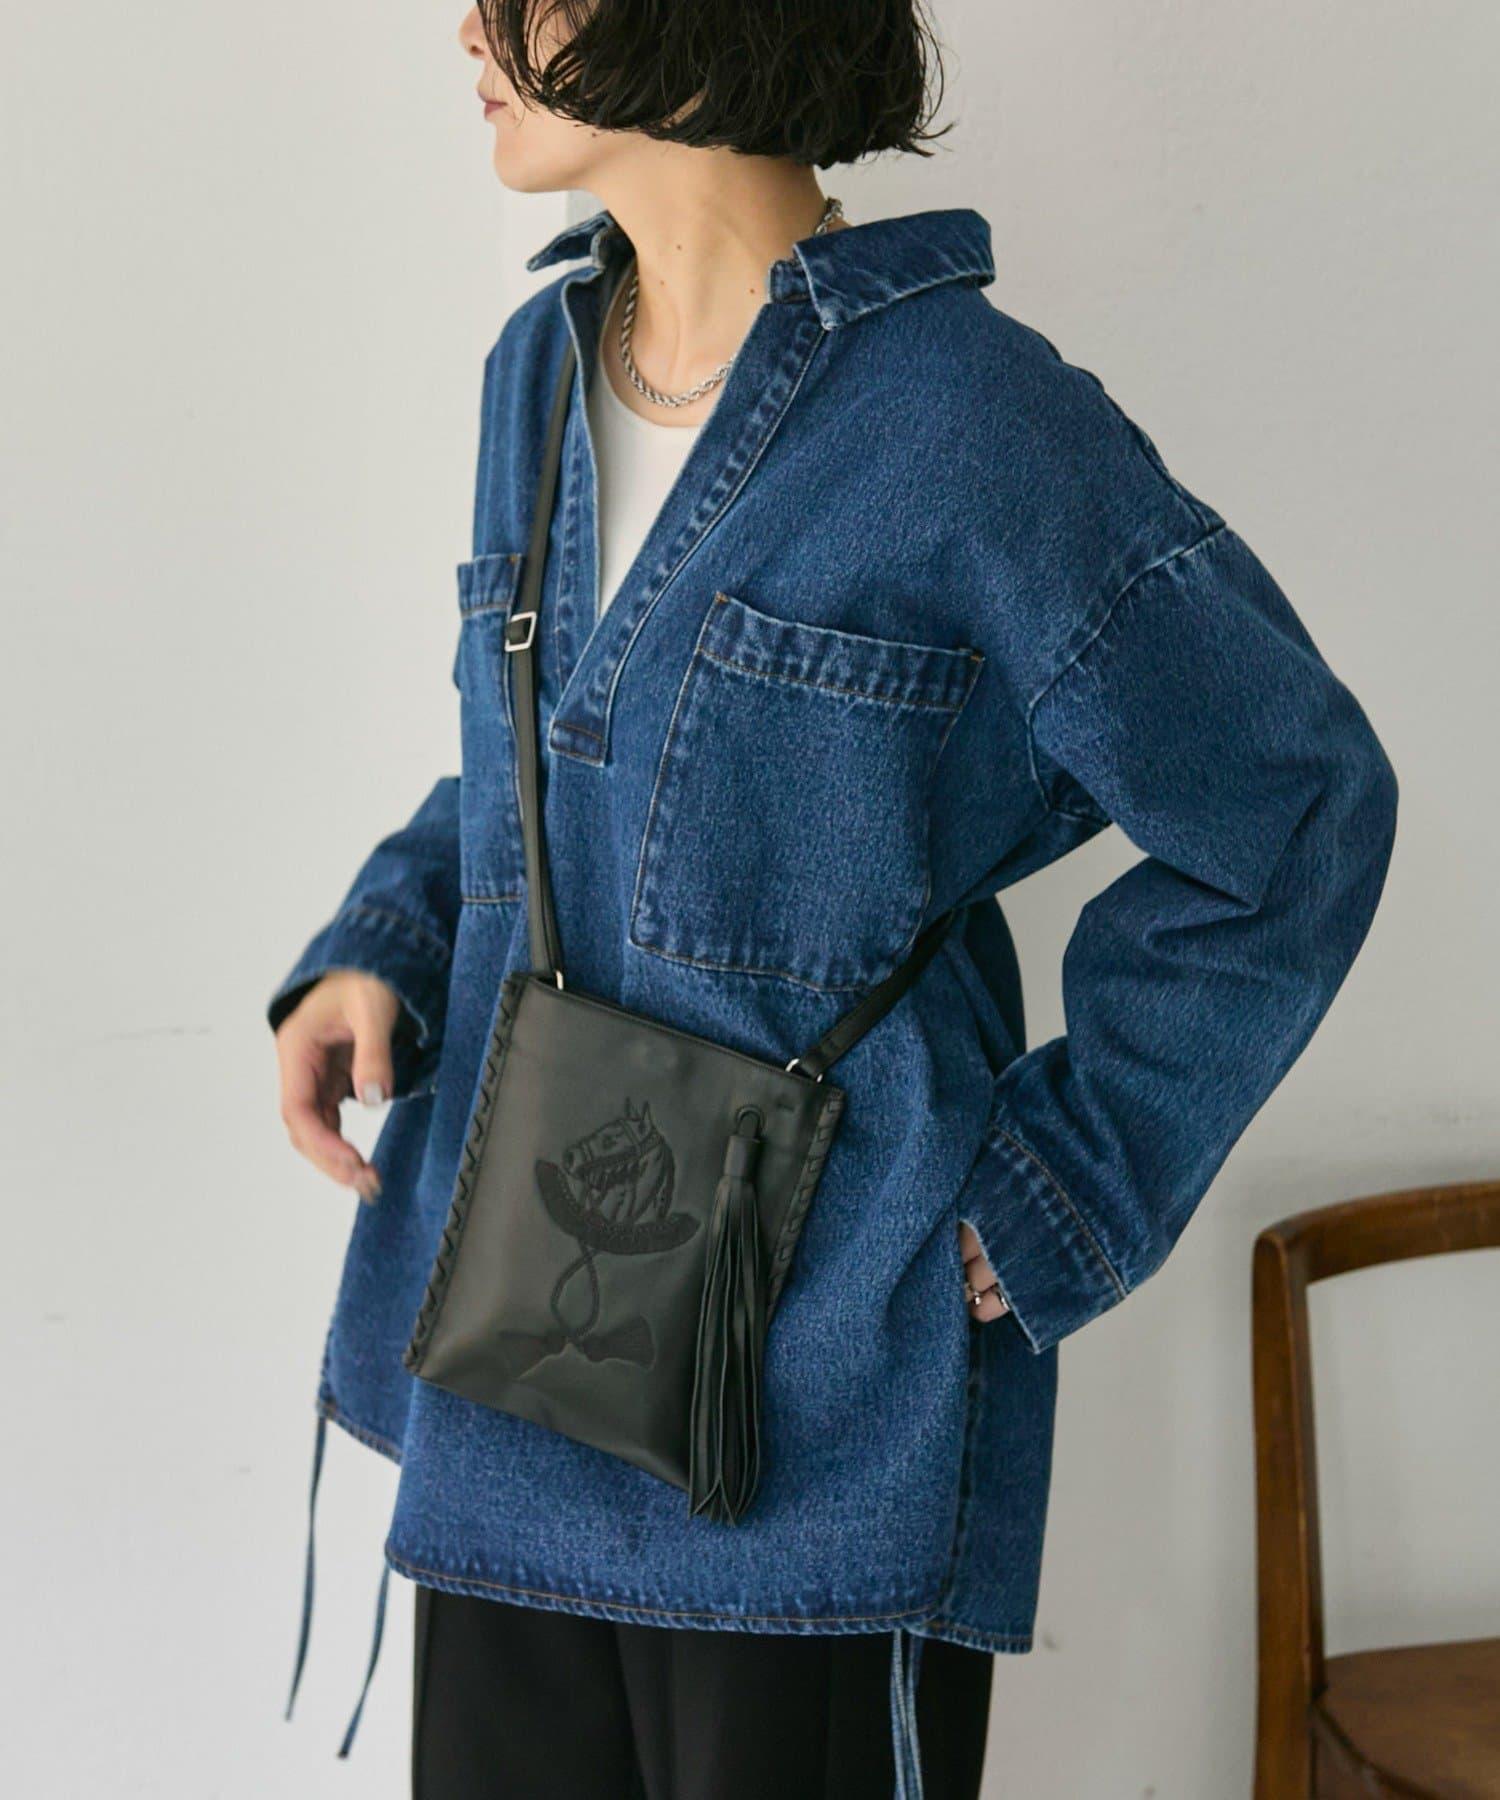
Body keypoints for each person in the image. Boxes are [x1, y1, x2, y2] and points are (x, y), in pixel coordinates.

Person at [267, 3, 1399, 1795]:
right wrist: (388, 943)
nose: (465, 24)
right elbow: (542, 765)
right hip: (511, 1361)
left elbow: (1296, 805)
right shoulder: (537, 369)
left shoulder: (977, 425)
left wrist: (1061, 1190)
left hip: (816, 1410)